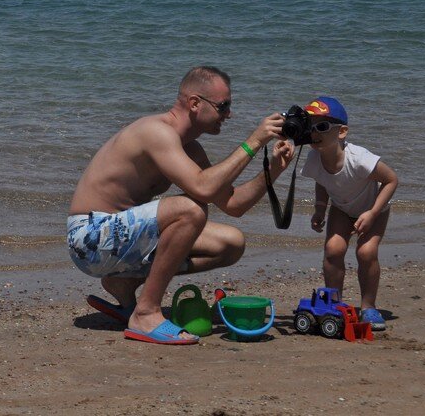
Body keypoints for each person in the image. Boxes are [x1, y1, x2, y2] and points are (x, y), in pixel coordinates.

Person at [67, 66, 295, 345]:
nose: (229, 115)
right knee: (190, 210)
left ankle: (124, 285)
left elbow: (233, 204)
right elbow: (202, 187)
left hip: (121, 241)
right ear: (195, 103)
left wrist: (274, 168)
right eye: (223, 106)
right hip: (89, 238)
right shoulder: (156, 131)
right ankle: (146, 313)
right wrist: (255, 140)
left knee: (231, 243)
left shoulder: (191, 150)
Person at [300, 97, 398, 331]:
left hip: (373, 209)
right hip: (341, 210)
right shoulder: (314, 157)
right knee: (333, 250)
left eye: (322, 126)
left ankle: (368, 307)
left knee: (366, 252)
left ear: (342, 132)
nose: (314, 132)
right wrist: (320, 208)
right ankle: (335, 304)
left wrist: (373, 213)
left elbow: (391, 180)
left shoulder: (359, 159)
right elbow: (322, 181)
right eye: (310, 126)